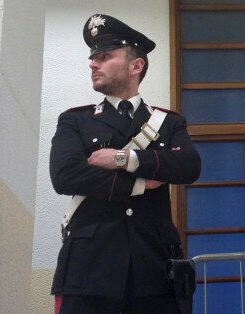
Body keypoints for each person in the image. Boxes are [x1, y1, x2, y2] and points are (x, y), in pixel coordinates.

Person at [49, 14, 200, 313]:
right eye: (93, 57)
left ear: (136, 65)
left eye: (104, 56)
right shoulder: (75, 120)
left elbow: (188, 166)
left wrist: (124, 158)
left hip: (153, 270)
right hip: (89, 271)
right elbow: (65, 176)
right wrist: (141, 181)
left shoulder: (169, 123)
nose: (93, 63)